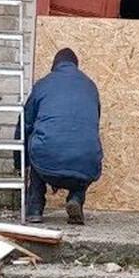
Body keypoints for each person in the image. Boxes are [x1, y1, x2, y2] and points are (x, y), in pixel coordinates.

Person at [23, 48, 103, 225]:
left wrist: (19, 163)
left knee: (38, 145)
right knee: (83, 151)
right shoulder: (90, 86)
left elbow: (25, 125)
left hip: (47, 160)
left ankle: (35, 208)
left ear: (54, 66)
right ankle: (76, 198)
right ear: (76, 65)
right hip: (86, 162)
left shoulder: (43, 84)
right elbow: (94, 123)